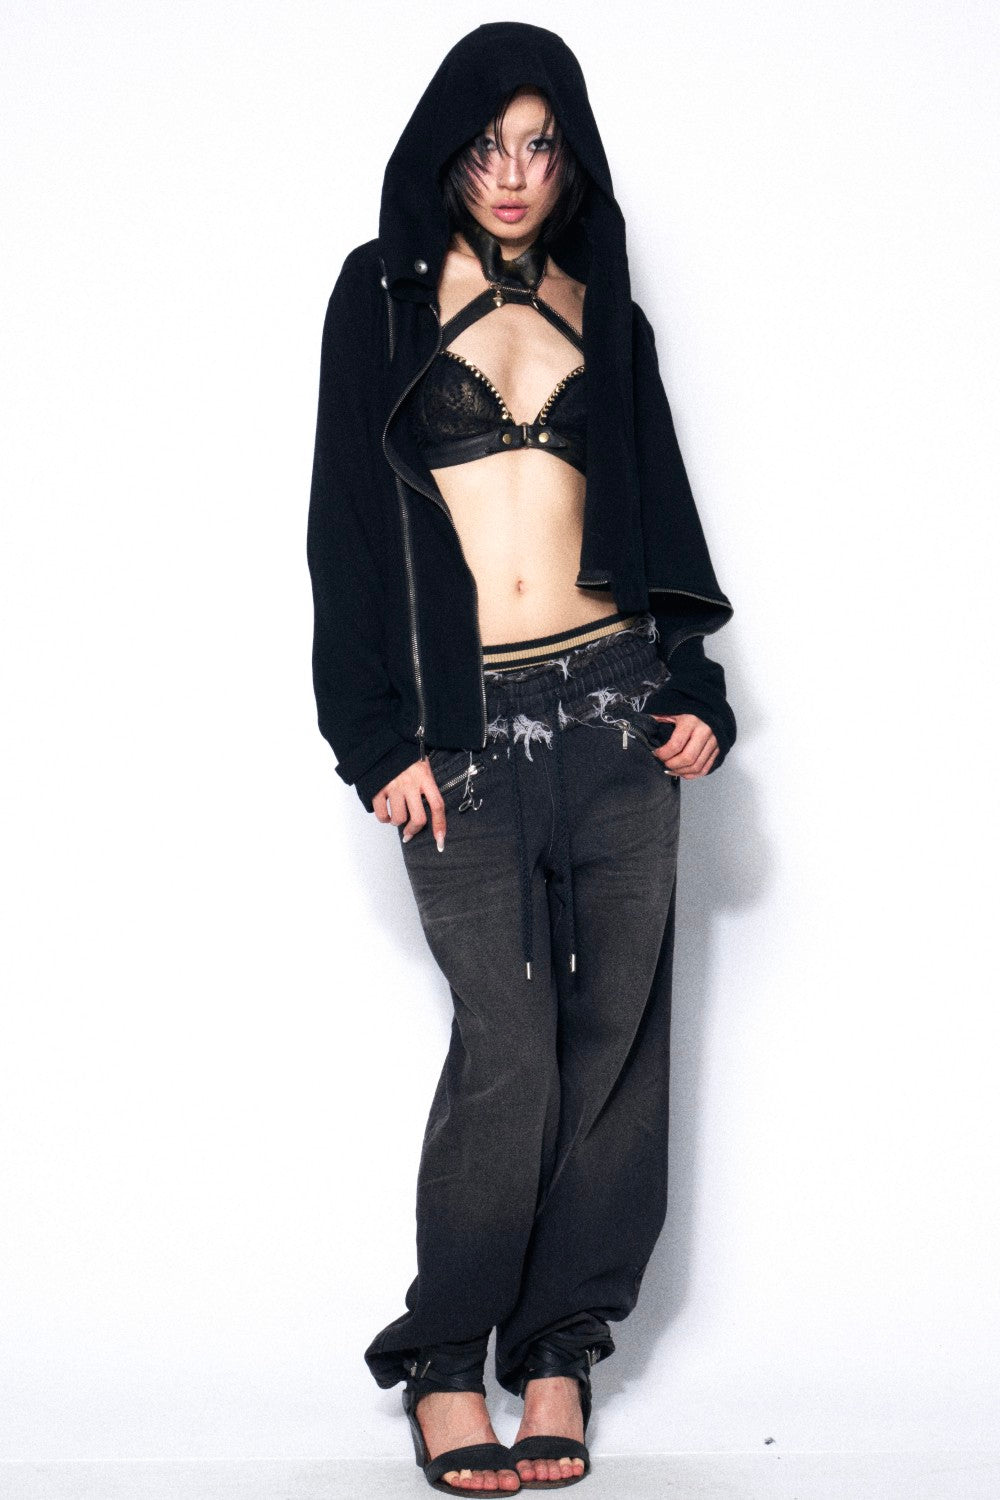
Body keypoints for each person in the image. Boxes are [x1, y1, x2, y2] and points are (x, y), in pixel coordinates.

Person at [306, 22, 737, 1494]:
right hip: (464, 730)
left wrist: (696, 687)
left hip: (619, 708)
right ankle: (444, 1360)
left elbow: (663, 511)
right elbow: (343, 527)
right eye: (489, 145)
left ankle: (559, 1349)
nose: (512, 174)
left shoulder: (607, 311)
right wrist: (375, 738)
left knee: (612, 1039)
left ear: (572, 160)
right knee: (509, 1048)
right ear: (449, 151)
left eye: (540, 146)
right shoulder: (376, 299)